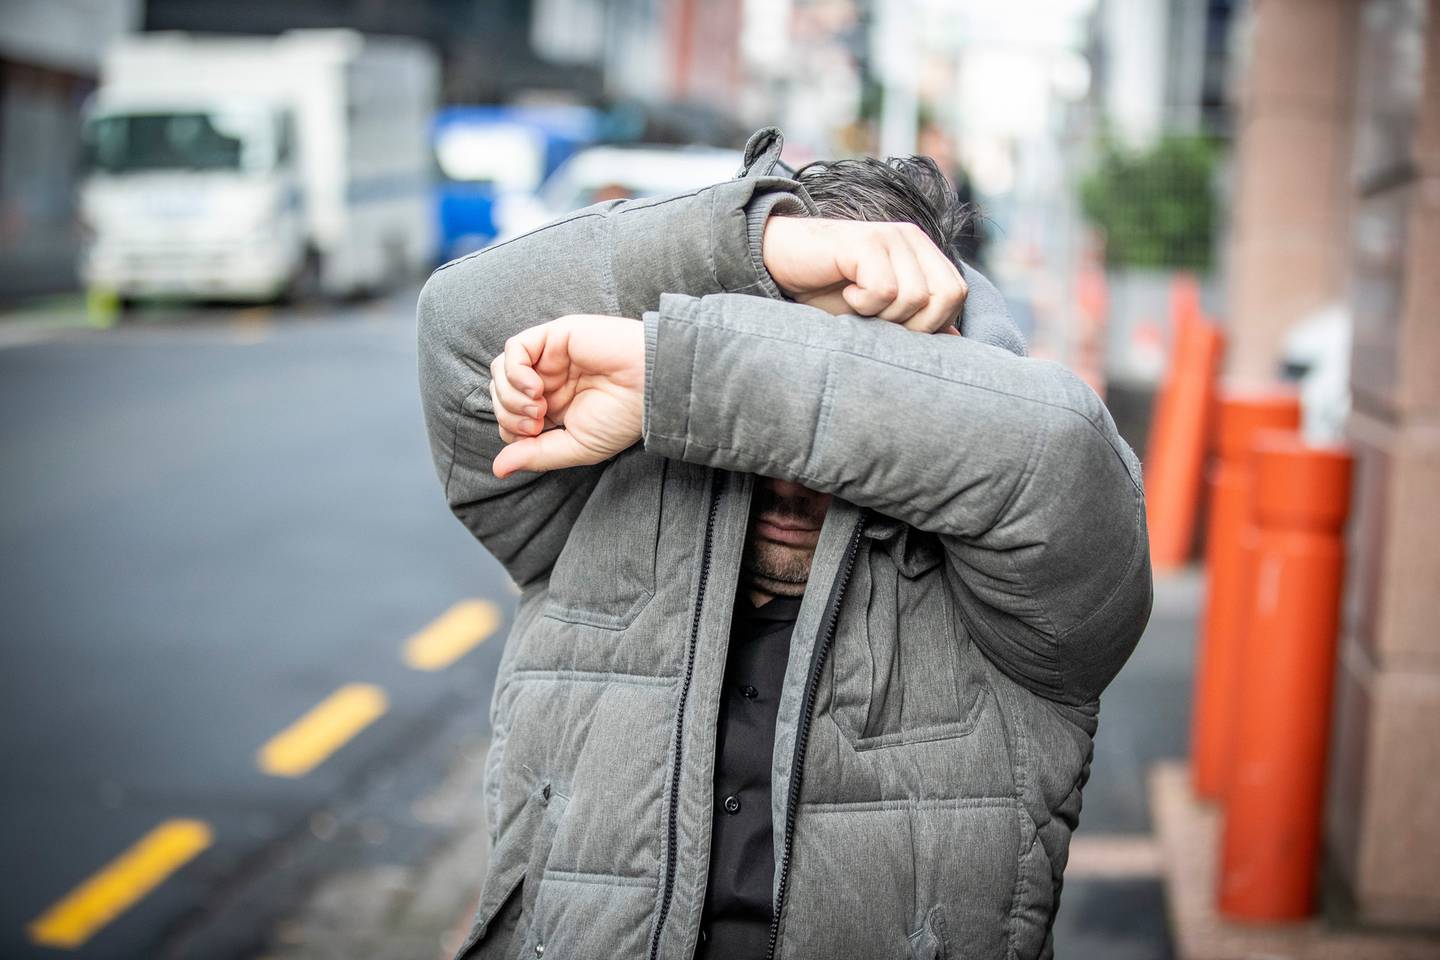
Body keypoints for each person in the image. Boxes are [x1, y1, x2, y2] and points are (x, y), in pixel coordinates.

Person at [417, 127, 1152, 960]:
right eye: (770, 354)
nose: (793, 480)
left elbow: (1053, 452)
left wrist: (678, 374)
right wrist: (763, 241)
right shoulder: (594, 507)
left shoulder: (1019, 602)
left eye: (808, 411)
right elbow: (455, 322)